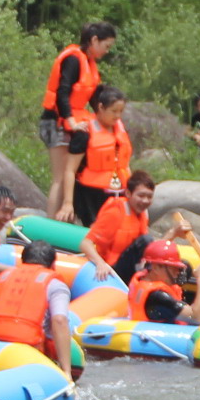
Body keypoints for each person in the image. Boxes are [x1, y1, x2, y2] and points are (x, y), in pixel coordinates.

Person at [39, 21, 115, 215]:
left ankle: (68, 217)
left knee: (70, 175)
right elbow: (62, 92)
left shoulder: (88, 64)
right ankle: (52, 225)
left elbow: (91, 96)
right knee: (61, 177)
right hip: (56, 121)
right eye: (106, 46)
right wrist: (70, 120)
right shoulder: (73, 60)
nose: (107, 51)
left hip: (69, 122)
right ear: (94, 40)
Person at [0, 239, 75, 371]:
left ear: (23, 262)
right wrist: (67, 372)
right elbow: (60, 320)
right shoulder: (56, 285)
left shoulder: (3, 278)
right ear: (53, 265)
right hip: (27, 352)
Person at [71, 85, 135, 226]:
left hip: (119, 192)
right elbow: (70, 170)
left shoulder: (120, 131)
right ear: (101, 107)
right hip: (92, 195)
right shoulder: (85, 132)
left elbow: (126, 165)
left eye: (121, 111)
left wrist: (132, 191)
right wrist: (67, 204)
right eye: (114, 111)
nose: (118, 116)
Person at [83, 169, 158, 280]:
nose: (145, 201)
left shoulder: (143, 214)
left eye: (149, 197)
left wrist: (173, 234)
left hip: (130, 265)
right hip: (113, 268)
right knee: (145, 240)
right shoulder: (115, 213)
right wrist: (100, 264)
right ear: (128, 193)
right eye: (141, 196)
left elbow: (148, 249)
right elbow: (85, 244)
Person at [129, 238, 200, 325]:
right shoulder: (158, 296)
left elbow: (156, 252)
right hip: (167, 338)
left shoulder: (144, 275)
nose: (177, 272)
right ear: (156, 267)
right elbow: (197, 318)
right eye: (173, 268)